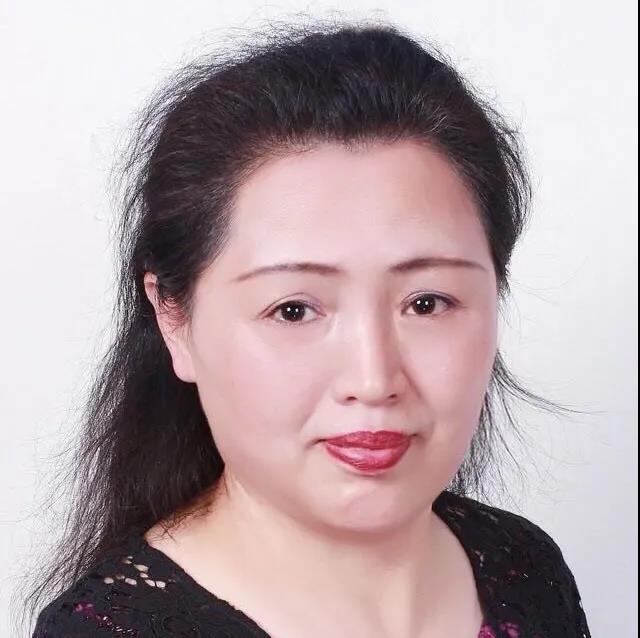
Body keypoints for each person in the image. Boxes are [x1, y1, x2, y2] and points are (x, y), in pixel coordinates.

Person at [27, 19, 591, 638]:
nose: (373, 380)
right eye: (294, 310)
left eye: (427, 303)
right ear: (174, 320)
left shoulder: (521, 567)